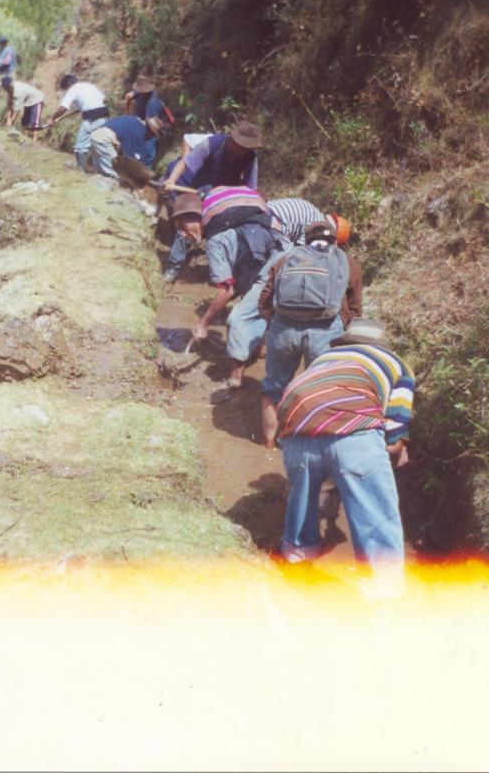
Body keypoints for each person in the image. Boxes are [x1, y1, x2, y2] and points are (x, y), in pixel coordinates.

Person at [275, 317, 414, 595]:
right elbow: (396, 423)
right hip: (354, 432)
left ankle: (297, 557)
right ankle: (383, 585)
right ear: (381, 342)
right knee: (372, 504)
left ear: (346, 340)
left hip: (296, 427)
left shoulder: (324, 358)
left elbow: (309, 397)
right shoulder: (396, 364)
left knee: (303, 495)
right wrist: (398, 448)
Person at [171, 186, 290, 388]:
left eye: (184, 226)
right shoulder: (231, 225)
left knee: (238, 319)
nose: (183, 235)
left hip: (275, 266)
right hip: (288, 256)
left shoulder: (216, 240)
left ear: (197, 218)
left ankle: (235, 378)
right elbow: (237, 282)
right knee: (256, 307)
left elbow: (225, 290)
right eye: (179, 230)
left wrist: (203, 323)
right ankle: (257, 350)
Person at [258, 218, 362, 448]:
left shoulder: (287, 258)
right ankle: (309, 447)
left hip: (284, 329)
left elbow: (265, 298)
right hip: (326, 332)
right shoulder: (347, 262)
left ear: (306, 238)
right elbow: (355, 309)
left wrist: (273, 321)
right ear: (335, 239)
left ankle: (267, 445)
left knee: (274, 387)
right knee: (320, 390)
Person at [162, 122, 262, 282]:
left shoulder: (250, 157)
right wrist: (171, 180)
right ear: (231, 139)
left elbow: (250, 187)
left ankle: (223, 267)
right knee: (190, 223)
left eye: (246, 148)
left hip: (218, 191)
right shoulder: (214, 143)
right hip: (191, 183)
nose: (242, 151)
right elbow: (185, 162)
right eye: (239, 146)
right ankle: (174, 266)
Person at [47, 73, 109, 172]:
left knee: (80, 147)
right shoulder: (89, 86)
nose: (67, 91)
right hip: (104, 116)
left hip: (92, 118)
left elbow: (63, 107)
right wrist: (84, 107)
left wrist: (52, 118)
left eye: (65, 89)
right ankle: (103, 171)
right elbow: (104, 100)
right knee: (99, 145)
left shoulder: (73, 89)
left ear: (68, 86)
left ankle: (82, 172)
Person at [124, 72, 170, 167]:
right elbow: (136, 93)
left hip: (151, 131)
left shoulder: (152, 103)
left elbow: (155, 127)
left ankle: (147, 173)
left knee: (148, 155)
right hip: (143, 126)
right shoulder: (142, 94)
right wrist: (133, 93)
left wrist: (138, 124)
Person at [2, 76, 45, 141]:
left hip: (37, 99)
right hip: (28, 101)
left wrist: (11, 121)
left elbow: (17, 111)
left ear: (11, 85)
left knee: (35, 122)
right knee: (25, 121)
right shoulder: (9, 90)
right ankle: (25, 138)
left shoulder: (18, 92)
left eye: (8, 89)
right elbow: (9, 105)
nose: (7, 90)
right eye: (6, 89)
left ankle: (34, 140)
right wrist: (8, 117)